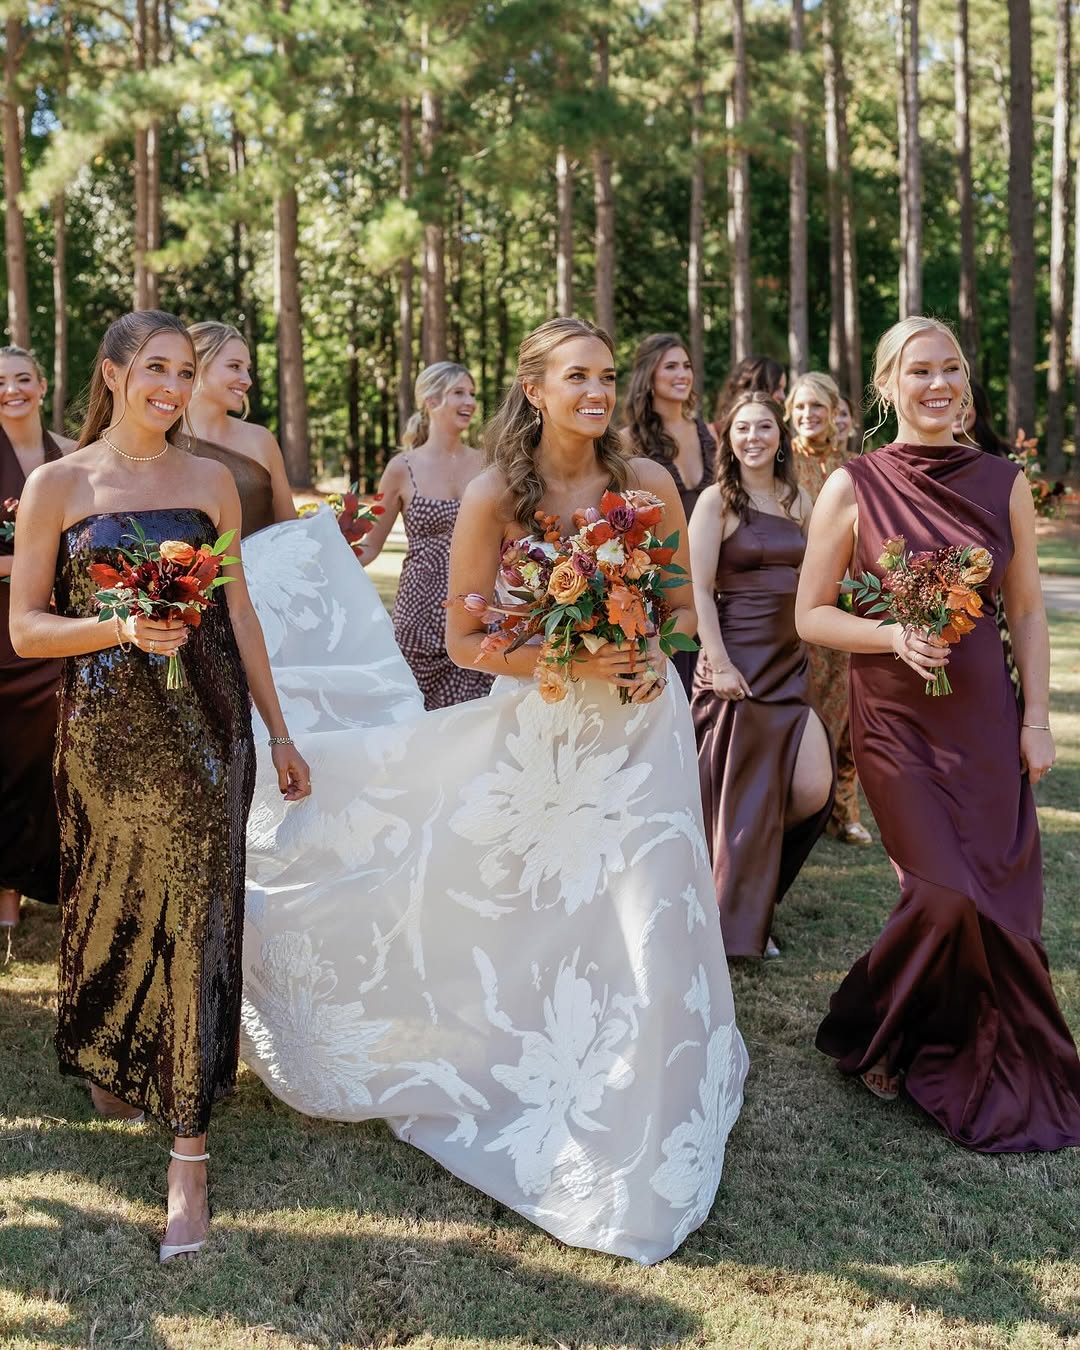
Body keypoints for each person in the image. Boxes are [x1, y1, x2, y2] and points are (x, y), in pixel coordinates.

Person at [238, 317, 748, 1264]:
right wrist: (574, 657)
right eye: (576, 377)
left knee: (651, 908)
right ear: (536, 389)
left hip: (644, 729)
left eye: (606, 376)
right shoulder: (493, 495)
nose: (596, 392)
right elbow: (466, 642)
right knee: (546, 914)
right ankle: (545, 1072)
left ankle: (658, 1100)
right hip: (544, 731)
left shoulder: (648, 483)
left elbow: (682, 608)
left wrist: (652, 648)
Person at [8, 310, 312, 1260]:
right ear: (112, 374)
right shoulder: (59, 485)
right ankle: (116, 1049)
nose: (173, 388)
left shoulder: (211, 481)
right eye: (156, 369)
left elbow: (240, 612)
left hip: (208, 728)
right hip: (103, 737)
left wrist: (279, 730)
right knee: (115, 906)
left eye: (185, 372)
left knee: (197, 917)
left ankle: (189, 1157)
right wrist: (121, 628)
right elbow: (25, 629)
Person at [795, 315, 1080, 1152]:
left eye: (950, 368)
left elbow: (1026, 611)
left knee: (989, 897)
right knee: (942, 892)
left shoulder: (1003, 481)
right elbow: (811, 613)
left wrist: (1036, 719)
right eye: (918, 370)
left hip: (984, 717)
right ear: (887, 386)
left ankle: (927, 1038)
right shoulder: (853, 484)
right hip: (895, 720)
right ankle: (873, 1024)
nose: (938, 384)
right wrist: (891, 634)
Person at [688, 392, 833, 959]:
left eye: (765, 427)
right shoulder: (716, 502)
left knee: (811, 789)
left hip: (788, 665)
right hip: (738, 669)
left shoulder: (798, 500)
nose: (754, 437)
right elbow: (699, 590)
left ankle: (749, 897)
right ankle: (737, 915)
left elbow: (822, 574)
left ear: (780, 437)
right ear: (728, 438)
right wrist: (719, 662)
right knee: (737, 804)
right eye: (743, 428)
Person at [358, 362, 493, 709]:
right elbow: (370, 545)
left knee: (478, 718)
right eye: (459, 392)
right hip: (418, 615)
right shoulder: (401, 469)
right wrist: (323, 545)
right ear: (431, 401)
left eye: (472, 393)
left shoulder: (489, 465)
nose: (470, 401)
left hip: (477, 611)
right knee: (413, 715)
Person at [0, 348, 76, 928]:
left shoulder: (72, 455)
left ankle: (41, 874)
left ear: (43, 385)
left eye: (23, 378)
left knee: (45, 755)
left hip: (51, 630)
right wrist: (26, 564)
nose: (12, 390)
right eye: (1, 382)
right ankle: (5, 888)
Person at [787, 371, 872, 846]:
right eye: (800, 407)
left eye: (816, 406)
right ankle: (798, 805)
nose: (808, 415)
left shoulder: (855, 468)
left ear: (835, 412)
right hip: (793, 603)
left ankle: (845, 808)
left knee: (845, 710)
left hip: (847, 603)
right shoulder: (780, 464)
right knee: (803, 707)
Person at [620, 332, 716, 693]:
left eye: (686, 366)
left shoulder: (709, 435)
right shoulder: (627, 442)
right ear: (649, 376)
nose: (683, 374)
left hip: (713, 583)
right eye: (671, 366)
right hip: (662, 587)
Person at [184, 321, 296, 537]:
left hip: (264, 560)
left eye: (248, 369)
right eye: (234, 366)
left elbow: (290, 528)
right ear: (197, 365)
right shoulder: (161, 437)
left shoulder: (261, 440)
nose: (247, 380)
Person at [708, 354, 786, 441]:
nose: (782, 396)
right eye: (777, 388)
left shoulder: (779, 437)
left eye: (783, 389)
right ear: (758, 387)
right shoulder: (711, 436)